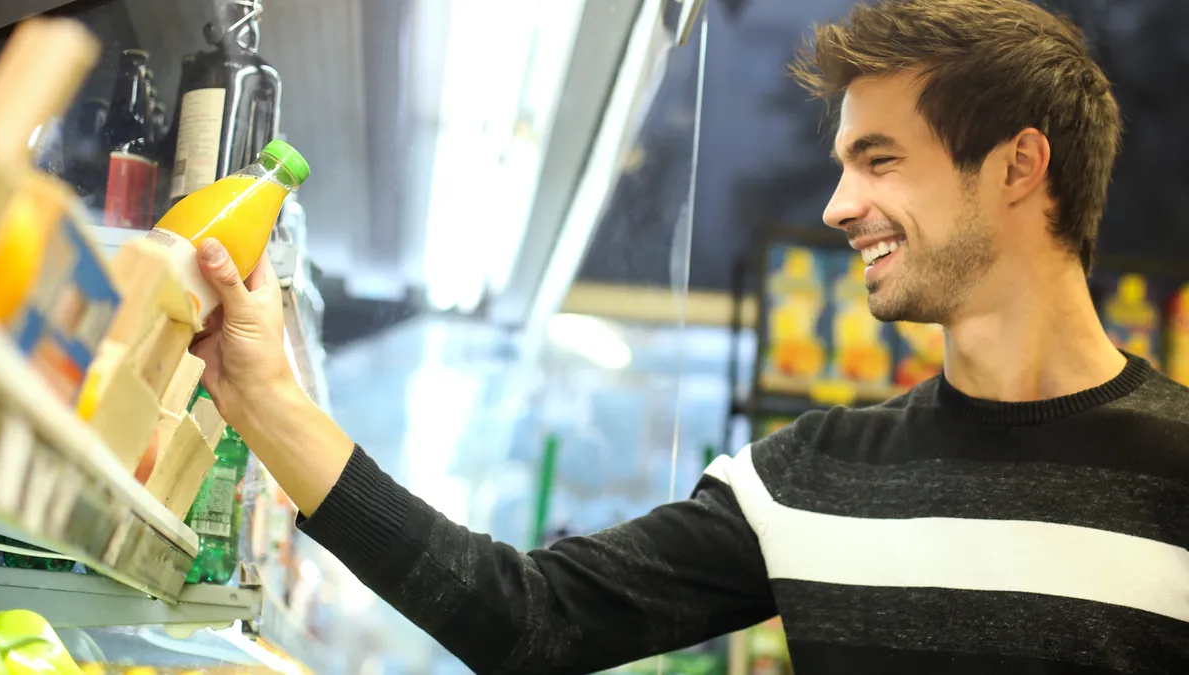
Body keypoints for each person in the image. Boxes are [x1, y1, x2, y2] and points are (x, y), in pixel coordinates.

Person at [190, 0, 1189, 673]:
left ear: (1020, 168)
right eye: (843, 164)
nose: (840, 207)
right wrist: (267, 397)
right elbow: (526, 618)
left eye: (880, 160)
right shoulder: (810, 481)